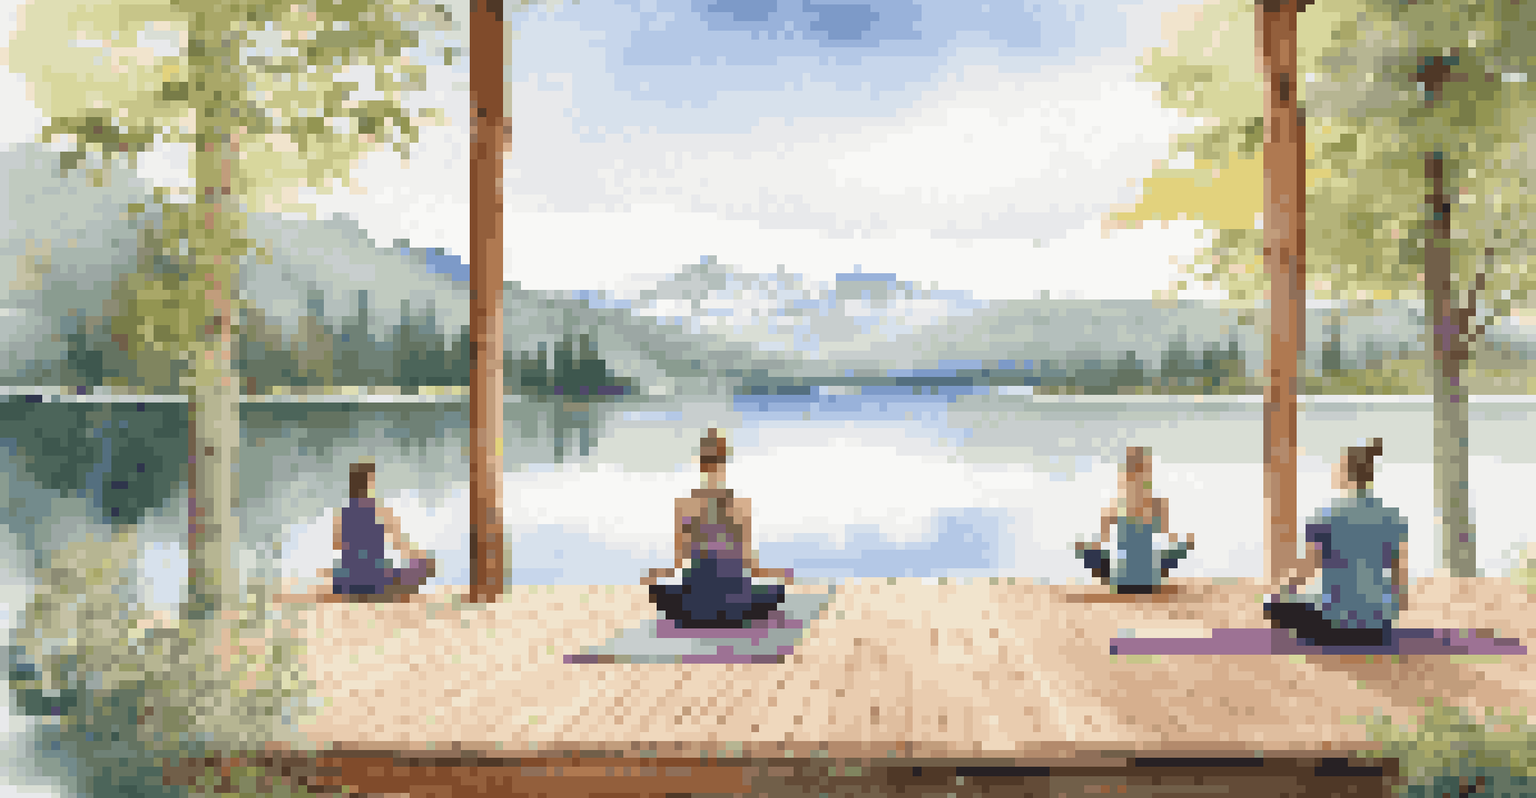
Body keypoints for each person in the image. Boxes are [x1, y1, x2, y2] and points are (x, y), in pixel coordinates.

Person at [1264, 438, 1407, 646]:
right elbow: (1398, 578)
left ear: (1344, 473)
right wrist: (1386, 612)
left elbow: (1307, 569)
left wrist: (1283, 590)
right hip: (1377, 630)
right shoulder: (1391, 518)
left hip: (1334, 627)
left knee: (1272, 606)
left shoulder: (1327, 518)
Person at [642, 429, 791, 628]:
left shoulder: (686, 506)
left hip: (696, 601)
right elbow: (749, 562)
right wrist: (776, 573)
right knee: (776, 590)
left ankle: (702, 612)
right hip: (735, 601)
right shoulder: (739, 507)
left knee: (658, 589)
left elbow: (680, 560)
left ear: (701, 463)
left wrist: (656, 574)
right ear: (724, 463)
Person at [1075, 446, 1193, 594]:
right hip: (1148, 581)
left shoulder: (1118, 507)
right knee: (1177, 547)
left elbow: (1103, 540)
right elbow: (1165, 537)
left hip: (1124, 583)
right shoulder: (1156, 505)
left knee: (1088, 550)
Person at [326, 460, 437, 601]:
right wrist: (418, 559)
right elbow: (401, 544)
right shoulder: (379, 511)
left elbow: (337, 545)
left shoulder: (342, 513)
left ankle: (366, 590)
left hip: (348, 582)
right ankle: (387, 592)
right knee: (425, 566)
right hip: (375, 580)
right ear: (369, 484)